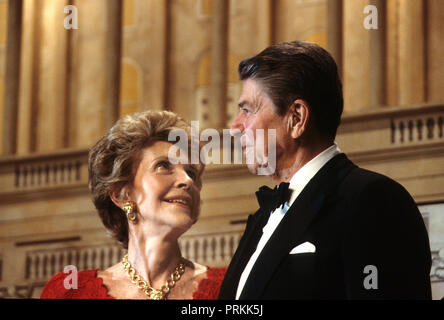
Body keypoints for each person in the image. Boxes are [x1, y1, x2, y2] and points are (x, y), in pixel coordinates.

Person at [218, 41, 432, 299]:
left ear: (296, 118)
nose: (235, 126)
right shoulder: (262, 216)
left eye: (247, 110)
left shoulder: (373, 201)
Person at [41, 110, 226, 299]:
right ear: (122, 194)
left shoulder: (228, 287)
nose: (187, 180)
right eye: (163, 166)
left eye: (191, 173)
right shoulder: (70, 291)